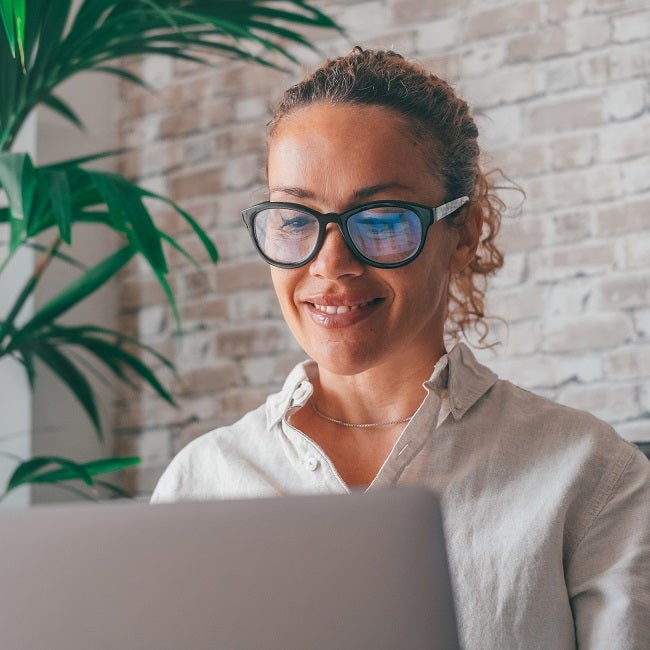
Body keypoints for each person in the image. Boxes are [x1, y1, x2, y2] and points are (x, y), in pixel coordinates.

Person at [151, 48, 649, 648]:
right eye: (294, 218)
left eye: (381, 218)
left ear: (464, 233)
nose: (330, 265)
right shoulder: (203, 482)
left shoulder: (589, 475)